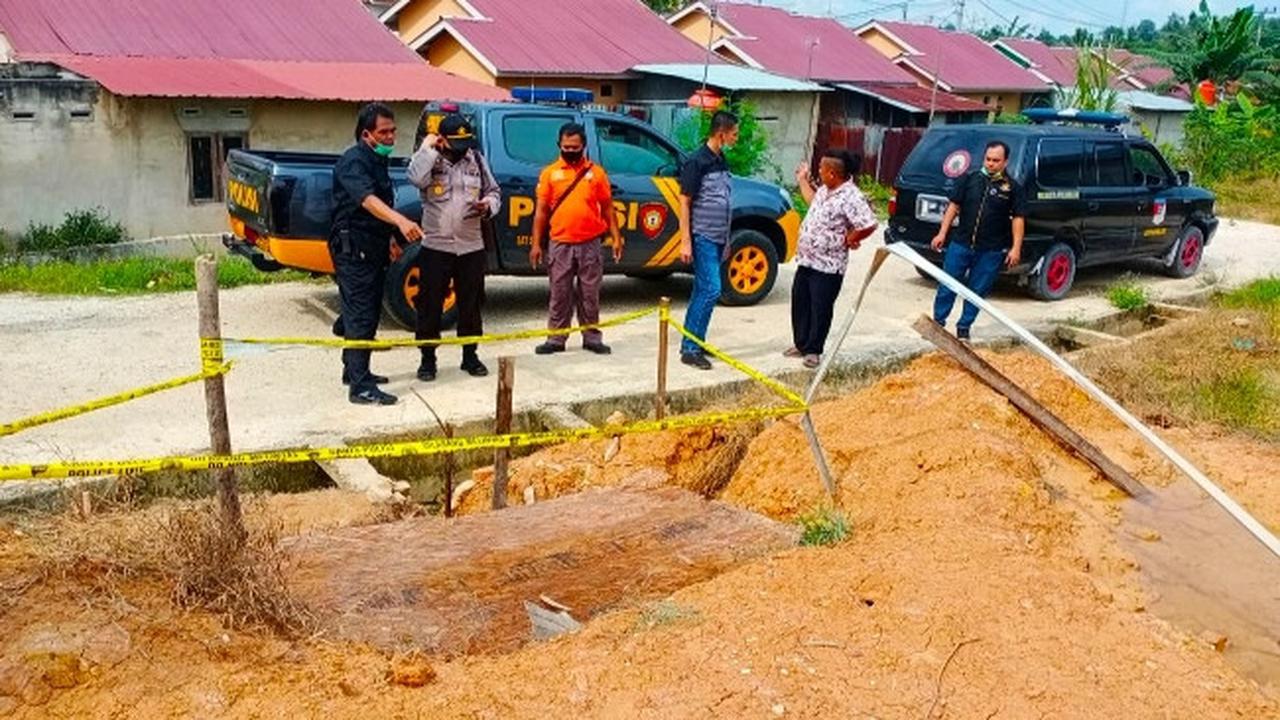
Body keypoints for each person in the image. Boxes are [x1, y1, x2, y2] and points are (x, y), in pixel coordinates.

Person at [330, 103, 424, 406]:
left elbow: (376, 209)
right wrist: (401, 220)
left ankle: (355, 371)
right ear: (367, 134)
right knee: (362, 313)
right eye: (384, 132)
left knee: (365, 307)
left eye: (393, 130)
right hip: (353, 249)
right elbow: (368, 201)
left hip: (371, 246)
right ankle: (360, 388)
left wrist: (390, 240)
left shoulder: (376, 161)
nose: (390, 137)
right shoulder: (353, 162)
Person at [406, 113, 501, 381]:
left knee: (471, 304)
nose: (462, 150)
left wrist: (488, 206)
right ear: (442, 140)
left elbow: (495, 192)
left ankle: (470, 356)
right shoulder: (429, 160)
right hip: (436, 246)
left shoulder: (477, 160)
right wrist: (428, 148)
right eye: (456, 144)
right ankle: (427, 359)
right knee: (430, 305)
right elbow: (415, 178)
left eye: (465, 143)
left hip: (471, 246)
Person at [529, 122, 625, 355]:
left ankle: (592, 338)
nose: (570, 151)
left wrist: (616, 237)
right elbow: (541, 212)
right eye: (566, 147)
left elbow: (608, 208)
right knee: (559, 293)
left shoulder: (597, 173)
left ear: (584, 146)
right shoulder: (549, 173)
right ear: (559, 146)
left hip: (590, 243)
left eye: (575, 147)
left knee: (589, 293)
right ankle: (556, 339)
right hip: (560, 243)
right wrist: (536, 244)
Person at [788, 150, 879, 368]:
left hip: (828, 266)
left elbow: (869, 223)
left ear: (832, 173)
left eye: (821, 169)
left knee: (820, 307)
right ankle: (801, 344)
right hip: (808, 260)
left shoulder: (851, 196)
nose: (818, 171)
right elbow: (812, 201)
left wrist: (851, 238)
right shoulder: (825, 190)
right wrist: (802, 181)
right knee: (801, 302)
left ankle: (813, 350)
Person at [930, 140, 1026, 341]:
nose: (991, 164)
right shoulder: (970, 179)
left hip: (990, 250)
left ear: (1005, 162)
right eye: (988, 159)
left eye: (996, 160)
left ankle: (964, 327)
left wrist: (1016, 248)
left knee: (977, 291)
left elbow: (1018, 218)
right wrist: (942, 233)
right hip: (961, 243)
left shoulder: (1012, 188)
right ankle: (938, 322)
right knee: (948, 284)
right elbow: (953, 207)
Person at [676, 110, 738, 370]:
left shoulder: (721, 160)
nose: (737, 137)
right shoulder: (697, 161)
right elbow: (684, 200)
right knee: (712, 289)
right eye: (734, 133)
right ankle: (689, 348)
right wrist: (685, 240)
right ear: (721, 134)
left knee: (703, 290)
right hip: (702, 235)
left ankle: (696, 341)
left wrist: (727, 237)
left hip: (719, 236)